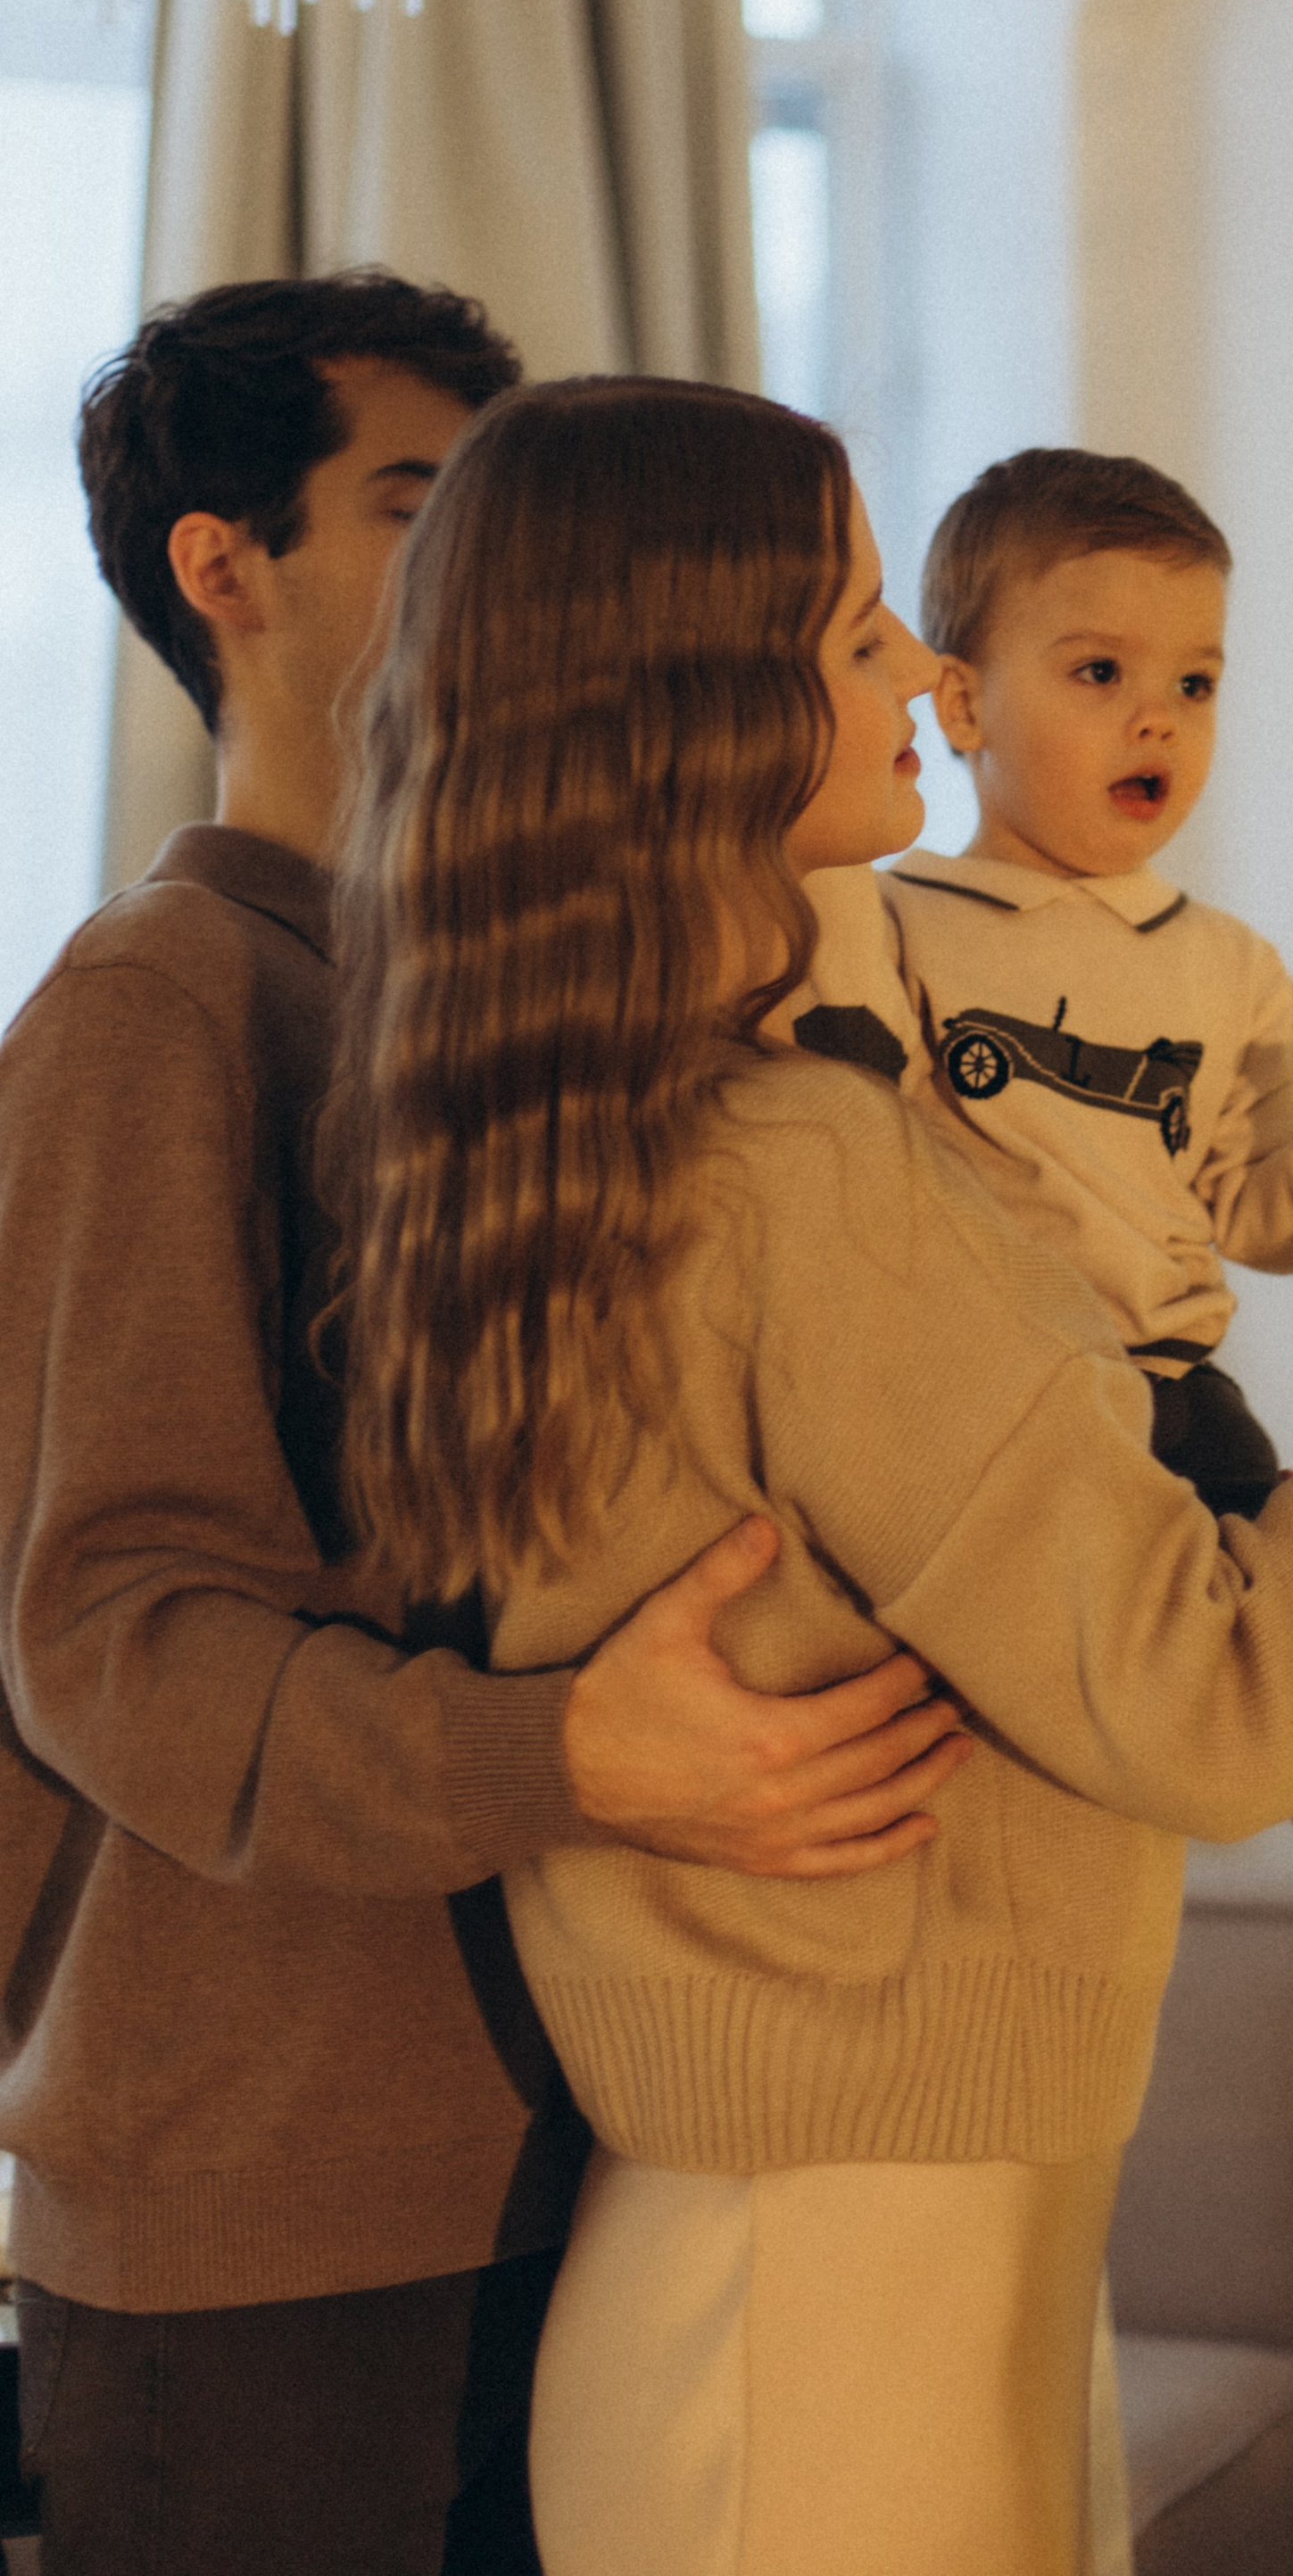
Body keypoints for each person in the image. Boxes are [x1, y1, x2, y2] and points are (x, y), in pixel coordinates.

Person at [324, 374, 1293, 2576]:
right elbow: (1217, 1692)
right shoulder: (788, 1164)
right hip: (829, 2297)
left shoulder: (656, 1117)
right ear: (698, 694)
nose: (907, 674)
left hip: (868, 2256)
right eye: (861, 622)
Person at [0, 277, 973, 2576]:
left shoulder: (530, 1027)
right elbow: (115, 1639)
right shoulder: (168, 1008)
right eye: (414, 509)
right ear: (225, 572)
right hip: (268, 2223)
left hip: (599, 2136)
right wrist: (564, 1757)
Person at [883, 445, 1293, 2143]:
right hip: (972, 1395)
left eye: (1192, 683)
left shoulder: (1227, 968)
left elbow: (1251, 1208)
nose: (1155, 724)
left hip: (1168, 1377)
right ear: (962, 701)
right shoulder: (887, 924)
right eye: (1099, 674)